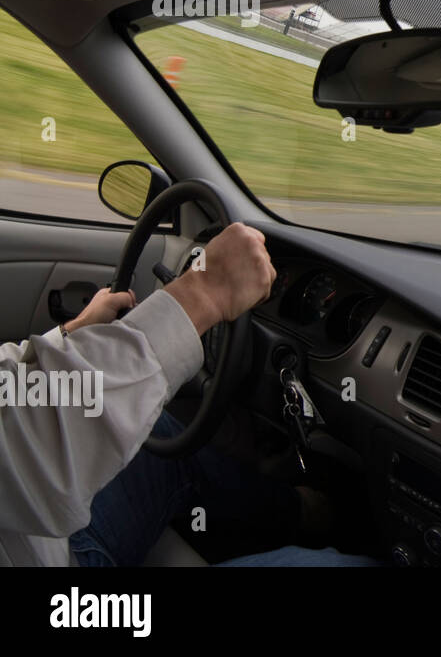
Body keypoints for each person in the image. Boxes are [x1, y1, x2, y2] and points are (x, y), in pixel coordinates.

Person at [0, 222, 377, 566]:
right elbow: (27, 457)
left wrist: (70, 333)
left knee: (165, 437)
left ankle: (303, 512)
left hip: (33, 537)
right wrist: (204, 294)